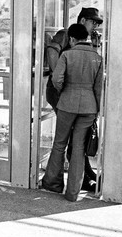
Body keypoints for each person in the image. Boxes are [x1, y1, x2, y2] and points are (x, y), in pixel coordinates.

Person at [41, 24, 103, 201]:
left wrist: (64, 92)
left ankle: (53, 184)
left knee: (60, 143)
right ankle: (73, 193)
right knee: (79, 148)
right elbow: (99, 88)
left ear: (72, 39)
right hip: (89, 106)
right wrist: (96, 109)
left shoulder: (67, 55)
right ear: (86, 38)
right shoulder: (98, 58)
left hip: (67, 103)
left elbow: (56, 79)